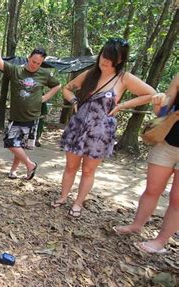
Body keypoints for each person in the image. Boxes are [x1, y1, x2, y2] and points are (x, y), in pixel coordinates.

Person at [53, 38, 156, 218]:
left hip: (100, 132)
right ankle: (63, 197)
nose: (105, 61)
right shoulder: (90, 74)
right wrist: (74, 100)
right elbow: (67, 89)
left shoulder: (124, 78)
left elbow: (151, 94)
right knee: (70, 167)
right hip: (78, 127)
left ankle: (78, 203)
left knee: (88, 170)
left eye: (110, 58)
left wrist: (122, 105)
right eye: (103, 55)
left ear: (120, 60)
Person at [113, 74, 179, 254]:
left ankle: (160, 241)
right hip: (167, 142)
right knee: (152, 189)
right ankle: (136, 225)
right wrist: (159, 103)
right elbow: (163, 112)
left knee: (177, 199)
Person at [0, 29, 61, 180]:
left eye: (38, 63)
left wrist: (45, 97)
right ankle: (30, 165)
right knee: (10, 142)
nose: (35, 65)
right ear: (28, 58)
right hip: (16, 116)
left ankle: (13, 171)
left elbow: (57, 85)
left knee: (20, 145)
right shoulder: (16, 70)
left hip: (32, 117)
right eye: (33, 61)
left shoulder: (44, 74)